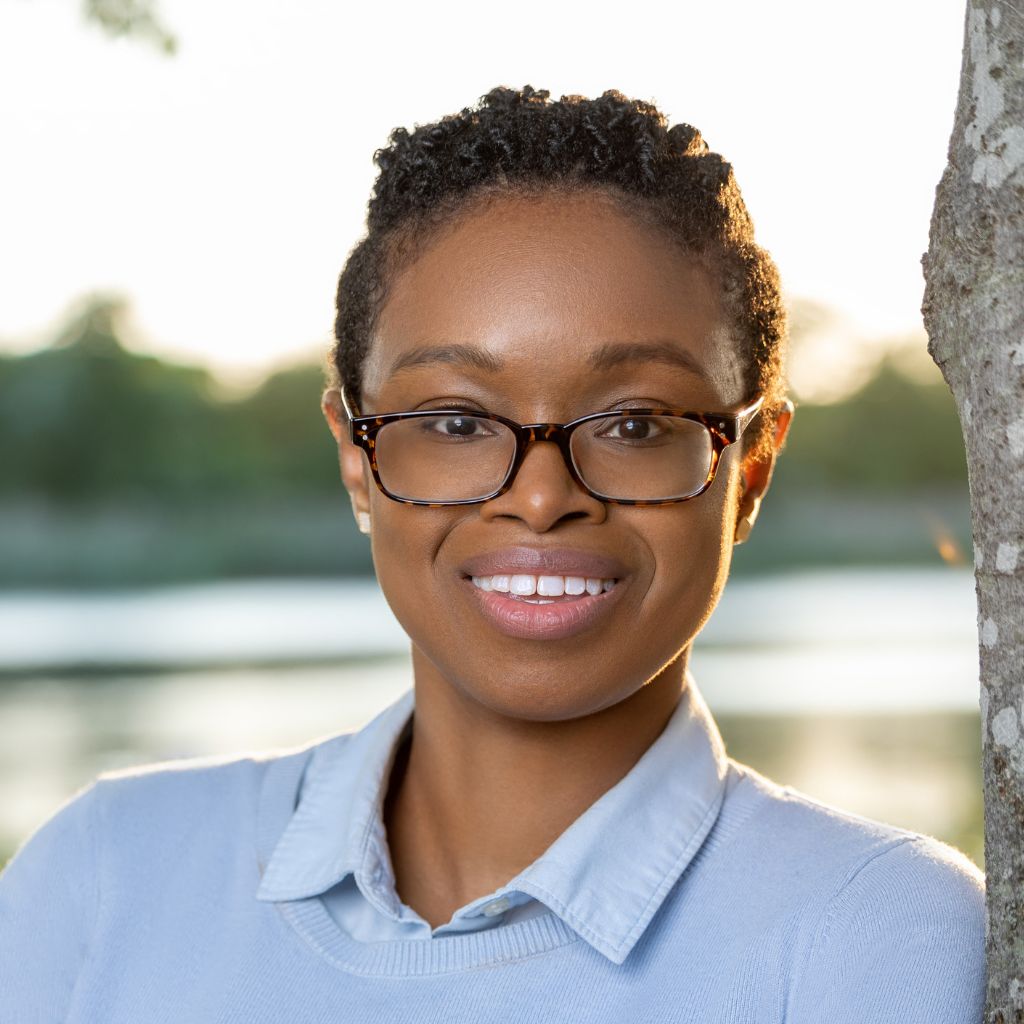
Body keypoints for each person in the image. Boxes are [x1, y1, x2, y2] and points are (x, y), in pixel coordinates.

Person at [0, 86, 984, 1022]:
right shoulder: (107, 877)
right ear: (356, 455)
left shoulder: (876, 929)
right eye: (456, 420)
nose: (544, 495)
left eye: (635, 423)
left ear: (752, 468)